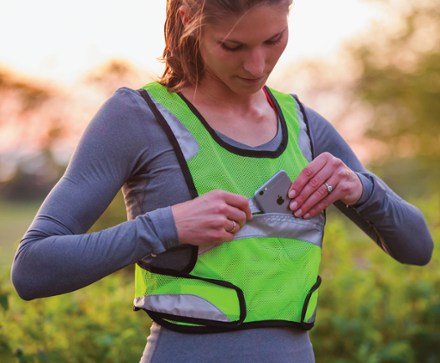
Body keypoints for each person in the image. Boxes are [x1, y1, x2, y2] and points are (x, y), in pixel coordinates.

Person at [11, 0, 434, 362]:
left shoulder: (306, 127)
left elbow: (418, 248)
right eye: (233, 46)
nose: (257, 65)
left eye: (274, 40)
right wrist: (167, 226)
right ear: (187, 19)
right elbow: (32, 268)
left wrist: (363, 188)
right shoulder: (136, 119)